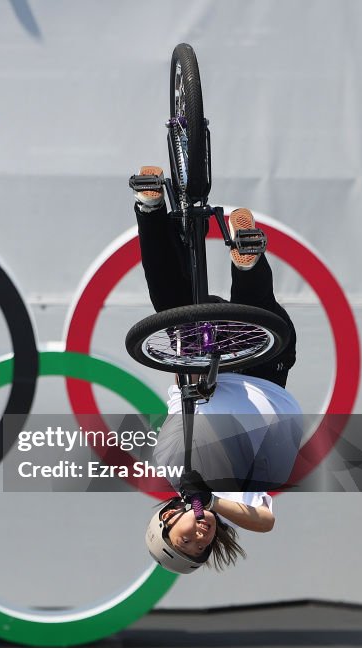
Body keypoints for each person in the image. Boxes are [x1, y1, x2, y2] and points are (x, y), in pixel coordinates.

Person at [132, 166, 303, 575]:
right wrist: (211, 501)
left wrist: (180, 362)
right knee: (261, 311)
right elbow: (265, 522)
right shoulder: (232, 506)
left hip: (206, 371)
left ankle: (150, 204)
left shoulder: (170, 468)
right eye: (201, 546)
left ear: (168, 518)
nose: (200, 536)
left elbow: (178, 405)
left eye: (184, 538)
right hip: (266, 376)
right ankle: (247, 260)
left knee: (171, 304)